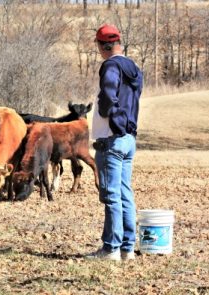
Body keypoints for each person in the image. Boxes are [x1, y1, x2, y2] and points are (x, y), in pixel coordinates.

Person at [86, 24, 143, 261]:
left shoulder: (110, 65)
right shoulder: (134, 67)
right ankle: (127, 249)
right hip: (128, 139)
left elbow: (109, 97)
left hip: (112, 139)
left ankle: (111, 248)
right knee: (124, 194)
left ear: (103, 46)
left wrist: (113, 119)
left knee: (111, 195)